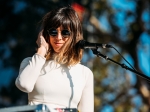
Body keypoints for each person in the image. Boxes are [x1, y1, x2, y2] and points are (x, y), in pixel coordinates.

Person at [15, 6, 94, 112]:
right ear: (45, 34)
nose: (58, 37)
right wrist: (42, 50)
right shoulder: (31, 63)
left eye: (65, 32)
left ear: (75, 36)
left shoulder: (85, 73)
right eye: (53, 32)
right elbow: (24, 85)